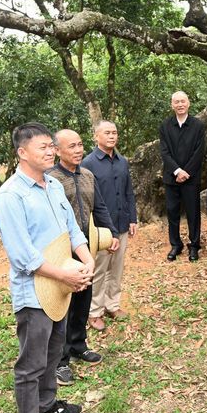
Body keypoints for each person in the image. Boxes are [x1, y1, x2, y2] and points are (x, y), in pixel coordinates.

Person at [0, 123, 94, 413]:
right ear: (22, 152)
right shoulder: (10, 196)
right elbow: (22, 257)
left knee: (54, 351)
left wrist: (87, 260)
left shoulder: (52, 185)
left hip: (60, 286)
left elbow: (71, 229)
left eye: (52, 146)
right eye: (42, 147)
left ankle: (48, 403)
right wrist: (65, 273)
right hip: (34, 291)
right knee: (31, 363)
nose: (50, 151)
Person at [49, 129, 120, 386]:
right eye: (72, 146)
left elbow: (99, 207)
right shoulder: (50, 178)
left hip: (86, 245)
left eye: (80, 145)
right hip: (60, 251)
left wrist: (110, 233)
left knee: (83, 297)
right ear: (57, 151)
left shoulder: (88, 175)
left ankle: (78, 344)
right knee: (63, 304)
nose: (78, 150)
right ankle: (60, 359)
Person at [82, 121, 138, 332]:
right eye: (107, 133)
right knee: (98, 269)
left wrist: (132, 218)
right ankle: (94, 311)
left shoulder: (122, 161)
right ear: (96, 136)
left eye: (115, 132)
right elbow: (88, 199)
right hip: (100, 228)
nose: (112, 136)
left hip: (121, 223)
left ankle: (112, 305)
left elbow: (128, 192)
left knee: (117, 268)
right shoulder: (88, 163)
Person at [159, 91, 206, 262]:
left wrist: (186, 172)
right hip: (171, 178)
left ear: (188, 103)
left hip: (191, 178)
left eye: (183, 101)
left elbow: (199, 151)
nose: (180, 104)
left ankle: (194, 246)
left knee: (193, 213)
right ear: (172, 105)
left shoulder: (198, 125)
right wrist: (177, 171)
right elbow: (164, 152)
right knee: (172, 212)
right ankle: (175, 244)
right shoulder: (165, 126)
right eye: (176, 102)